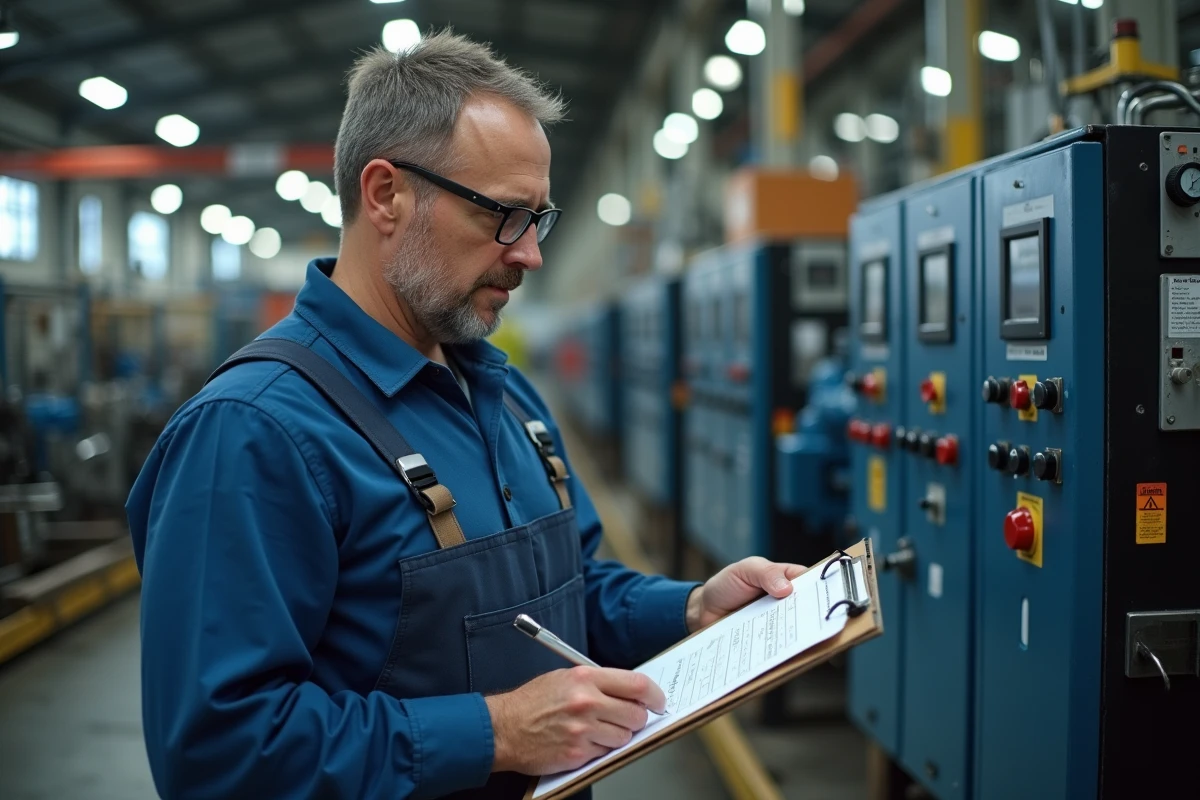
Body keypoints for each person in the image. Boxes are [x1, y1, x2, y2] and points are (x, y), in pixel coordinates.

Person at [127, 31, 806, 800]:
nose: (530, 254)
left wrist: (688, 608)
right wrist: (498, 732)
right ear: (386, 195)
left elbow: (568, 592)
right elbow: (219, 752)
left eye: (539, 219)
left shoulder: (503, 396)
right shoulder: (253, 432)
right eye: (505, 215)